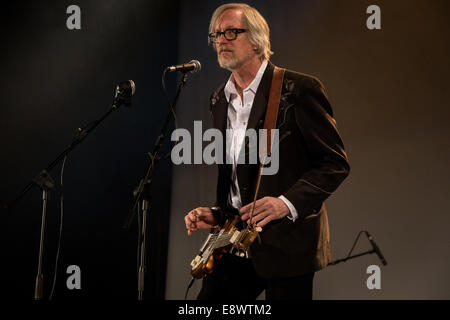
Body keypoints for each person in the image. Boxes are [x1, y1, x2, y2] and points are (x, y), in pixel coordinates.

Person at [184, 3, 350, 300]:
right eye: (216, 34)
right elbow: (239, 175)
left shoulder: (298, 89)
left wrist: (285, 203)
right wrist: (217, 213)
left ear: (258, 38)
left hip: (287, 246)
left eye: (231, 32)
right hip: (235, 241)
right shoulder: (218, 99)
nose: (221, 40)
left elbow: (334, 163)